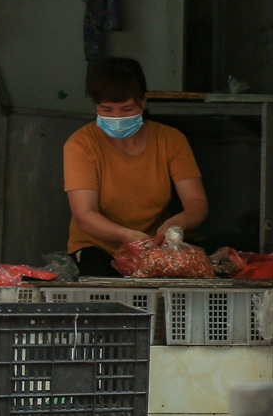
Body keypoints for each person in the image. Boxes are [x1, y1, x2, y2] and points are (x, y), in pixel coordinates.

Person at [63, 57, 209, 276]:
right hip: (97, 248)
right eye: (107, 110)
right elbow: (85, 214)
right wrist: (126, 236)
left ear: (144, 101)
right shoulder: (81, 144)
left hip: (156, 249)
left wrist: (179, 222)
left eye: (127, 109)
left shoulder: (171, 140)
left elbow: (196, 203)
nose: (117, 118)